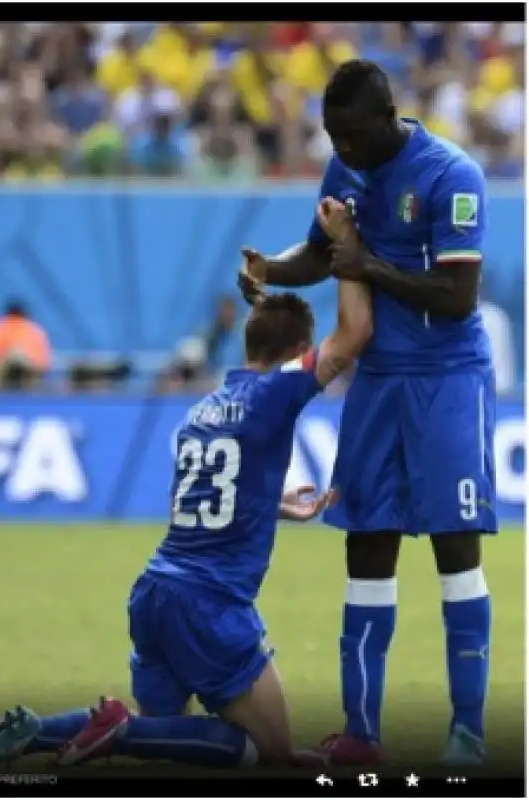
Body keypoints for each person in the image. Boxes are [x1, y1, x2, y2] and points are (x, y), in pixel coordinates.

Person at [0, 284, 373, 770]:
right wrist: (350, 253)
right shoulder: (278, 389)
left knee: (163, 737)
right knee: (269, 752)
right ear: (299, 352)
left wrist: (272, 504)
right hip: (209, 606)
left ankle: (36, 730)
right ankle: (120, 731)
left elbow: (198, 498)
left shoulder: (202, 408)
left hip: (155, 592)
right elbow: (354, 333)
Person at [238, 60, 496, 767]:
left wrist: (362, 262)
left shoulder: (452, 175)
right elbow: (323, 255)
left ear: (388, 120)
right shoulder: (344, 170)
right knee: (366, 544)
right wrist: (272, 270)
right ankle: (361, 734)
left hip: (447, 378)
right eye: (332, 138)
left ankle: (468, 733)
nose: (341, 150)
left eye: (351, 137)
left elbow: (455, 297)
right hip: (377, 379)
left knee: (454, 550)